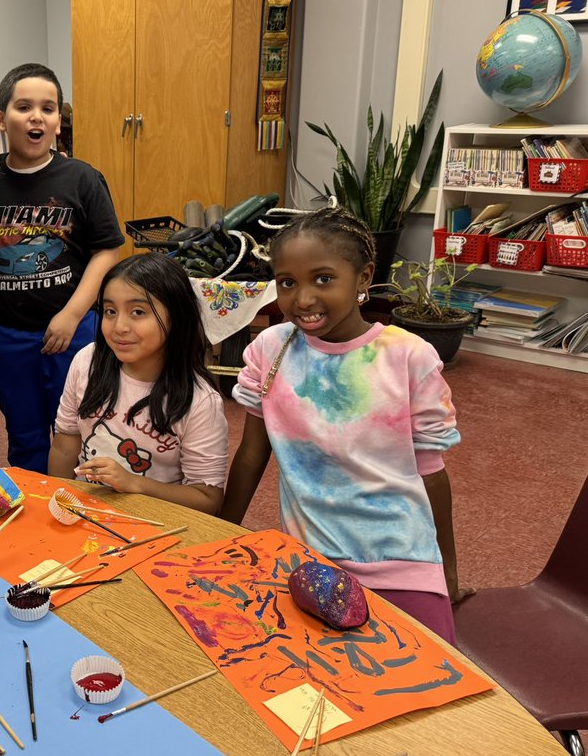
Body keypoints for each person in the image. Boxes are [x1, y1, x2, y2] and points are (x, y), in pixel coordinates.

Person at [219, 205, 464, 644]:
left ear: (364, 278)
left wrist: (447, 573)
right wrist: (222, 534)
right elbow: (252, 454)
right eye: (287, 283)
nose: (303, 298)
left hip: (401, 558)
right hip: (309, 560)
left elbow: (432, 474)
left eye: (324, 279)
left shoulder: (409, 357)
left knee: (429, 682)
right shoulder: (270, 350)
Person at [0, 62, 123, 472]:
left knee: (81, 429)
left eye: (48, 107)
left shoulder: (82, 179)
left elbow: (108, 250)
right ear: (2, 120)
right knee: (24, 433)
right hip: (7, 334)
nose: (36, 116)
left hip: (73, 332)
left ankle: (79, 509)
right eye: (24, 107)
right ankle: (35, 516)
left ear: (59, 121)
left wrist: (72, 316)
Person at [49, 254, 227, 512]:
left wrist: (135, 483)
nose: (119, 326)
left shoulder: (200, 401)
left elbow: (207, 499)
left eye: (138, 312)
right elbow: (66, 442)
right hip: (86, 512)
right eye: (110, 311)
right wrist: (59, 501)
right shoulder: (87, 361)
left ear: (177, 317)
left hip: (157, 525)